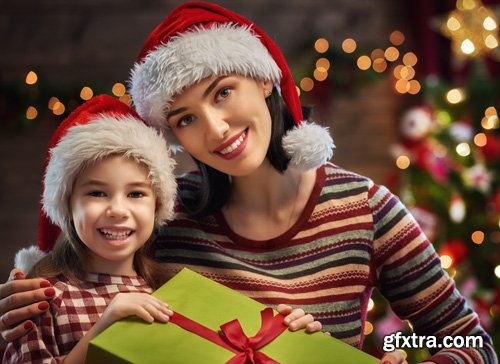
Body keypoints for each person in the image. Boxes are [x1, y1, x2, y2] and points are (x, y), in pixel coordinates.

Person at [0, 3, 497, 363]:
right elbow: (80, 284)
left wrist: (398, 351)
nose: (215, 128)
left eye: (222, 93)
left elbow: (467, 340)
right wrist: (26, 300)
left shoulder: (366, 209)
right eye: (185, 119)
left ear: (263, 80)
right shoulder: (165, 213)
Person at [2, 95, 320, 363]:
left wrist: (282, 333)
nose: (117, 209)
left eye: (136, 194)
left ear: (156, 207)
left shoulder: (175, 294)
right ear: (68, 205)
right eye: (96, 193)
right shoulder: (43, 300)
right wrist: (105, 328)